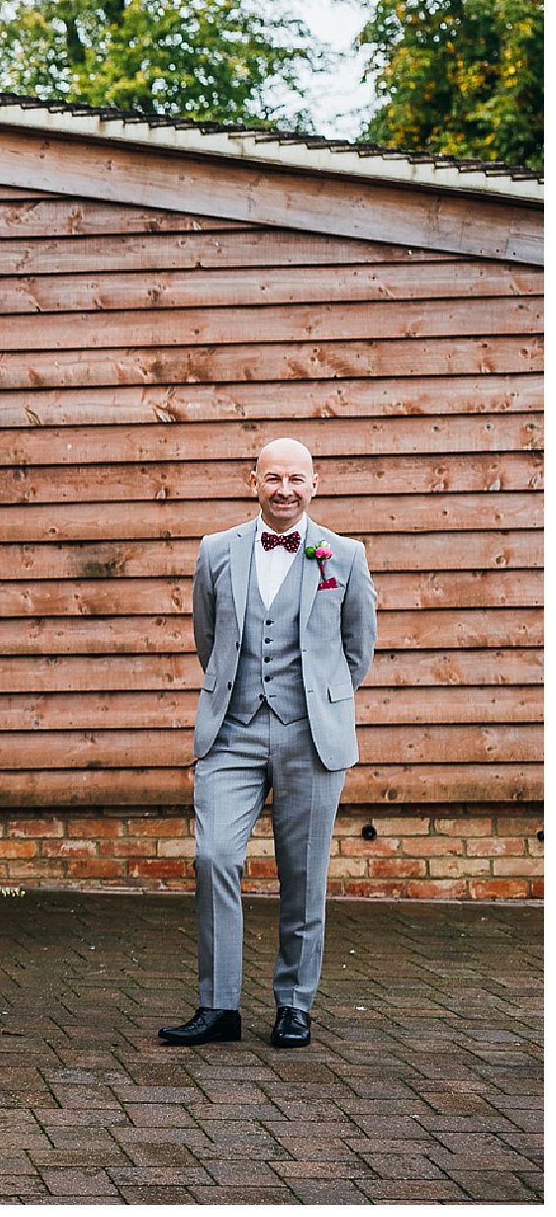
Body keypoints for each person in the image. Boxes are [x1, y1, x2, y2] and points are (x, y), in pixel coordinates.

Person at [162, 438, 376, 1051]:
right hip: (232, 729)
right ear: (252, 479)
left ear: (316, 484)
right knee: (214, 858)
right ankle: (218, 1005)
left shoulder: (345, 555)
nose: (285, 489)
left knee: (302, 873)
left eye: (297, 479)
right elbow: (209, 639)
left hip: (311, 733)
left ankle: (293, 1005)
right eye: (274, 477)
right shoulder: (216, 552)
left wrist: (321, 697)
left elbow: (357, 648)